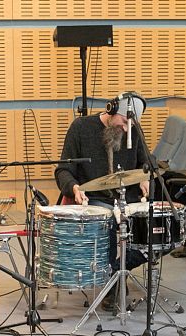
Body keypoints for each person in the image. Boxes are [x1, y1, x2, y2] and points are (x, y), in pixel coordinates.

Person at [54, 92, 155, 310]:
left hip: (128, 199)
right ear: (110, 110)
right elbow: (63, 170)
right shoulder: (80, 128)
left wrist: (146, 177)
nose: (127, 128)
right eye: (123, 121)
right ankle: (113, 286)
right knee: (107, 224)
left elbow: (147, 163)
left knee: (160, 229)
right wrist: (74, 187)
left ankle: (118, 271)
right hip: (95, 199)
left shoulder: (133, 131)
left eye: (132, 123)